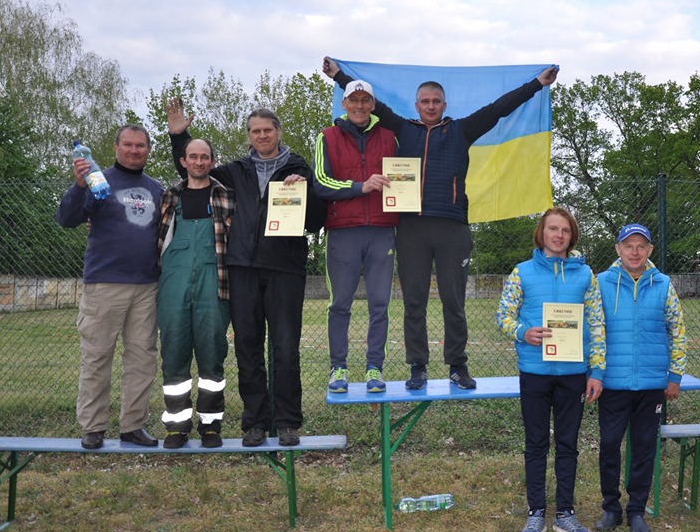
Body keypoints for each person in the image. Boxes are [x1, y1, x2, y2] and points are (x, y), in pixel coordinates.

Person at [323, 57, 558, 391]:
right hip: (411, 229)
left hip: (452, 228)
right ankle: (417, 366)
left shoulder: (461, 129)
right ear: (417, 106)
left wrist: (537, 84)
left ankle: (457, 366)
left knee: (453, 300)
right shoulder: (403, 129)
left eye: (436, 102)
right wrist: (338, 75)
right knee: (414, 302)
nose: (430, 106)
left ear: (444, 105)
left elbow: (499, 108)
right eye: (425, 102)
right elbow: (367, 100)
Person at [167, 100, 326, 447]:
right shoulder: (234, 171)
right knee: (248, 349)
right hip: (242, 269)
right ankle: (254, 422)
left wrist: (306, 191)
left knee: (285, 348)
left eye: (268, 130)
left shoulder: (298, 167)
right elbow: (193, 174)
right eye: (256, 131)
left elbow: (316, 221)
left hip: (285, 269)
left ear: (278, 132)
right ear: (249, 136)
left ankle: (286, 422)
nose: (262, 135)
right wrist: (180, 137)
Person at [496, 207, 606, 532]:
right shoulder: (522, 273)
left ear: (572, 236)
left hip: (574, 374)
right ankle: (535, 514)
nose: (558, 235)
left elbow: (597, 323)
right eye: (552, 229)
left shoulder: (586, 275)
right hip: (535, 372)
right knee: (536, 444)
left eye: (565, 230)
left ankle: (565, 514)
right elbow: (503, 316)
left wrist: (596, 370)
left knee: (568, 444)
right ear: (542, 233)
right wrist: (522, 332)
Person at [56, 125, 164, 449]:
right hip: (104, 284)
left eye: (140, 146)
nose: (134, 151)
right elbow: (66, 218)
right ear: (116, 148)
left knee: (142, 360)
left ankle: (133, 425)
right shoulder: (96, 181)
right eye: (128, 145)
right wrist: (77, 186)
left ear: (148, 150)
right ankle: (93, 427)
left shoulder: (156, 189)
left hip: (147, 286)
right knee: (97, 357)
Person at [595, 223, 687, 532]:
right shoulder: (600, 283)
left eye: (641, 246)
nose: (635, 252)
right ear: (618, 250)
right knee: (608, 445)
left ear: (649, 251)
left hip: (651, 385)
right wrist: (593, 373)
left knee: (645, 448)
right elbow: (591, 332)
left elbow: (678, 332)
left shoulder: (663, 285)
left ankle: (636, 510)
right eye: (628, 245)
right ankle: (611, 508)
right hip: (612, 383)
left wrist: (674, 376)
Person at [311, 79, 398, 394]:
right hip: (343, 232)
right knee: (340, 304)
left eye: (365, 100)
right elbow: (320, 182)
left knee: (380, 303)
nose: (359, 106)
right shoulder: (326, 137)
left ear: (373, 105)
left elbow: (405, 179)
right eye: (353, 100)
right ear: (344, 104)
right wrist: (361, 186)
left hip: (382, 231)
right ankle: (339, 368)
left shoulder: (391, 138)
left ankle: (375, 367)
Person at [157, 138, 234, 449]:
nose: (199, 162)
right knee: (173, 354)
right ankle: (176, 426)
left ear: (212, 162)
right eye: (193, 157)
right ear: (184, 161)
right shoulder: (168, 198)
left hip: (214, 284)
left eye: (205, 157)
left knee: (212, 356)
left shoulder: (226, 196)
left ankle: (211, 425)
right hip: (172, 286)